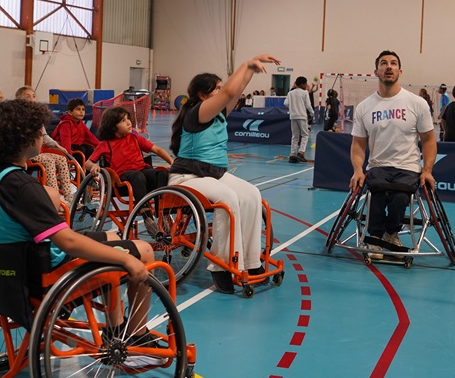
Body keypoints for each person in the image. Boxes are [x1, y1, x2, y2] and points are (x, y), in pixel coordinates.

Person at [0, 99, 162, 354]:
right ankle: (136, 334)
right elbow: (67, 241)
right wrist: (126, 261)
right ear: (22, 139)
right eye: (38, 131)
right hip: (47, 271)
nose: (42, 136)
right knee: (143, 251)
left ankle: (115, 327)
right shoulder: (23, 187)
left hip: (8, 270)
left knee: (112, 236)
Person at [169, 54, 280, 294]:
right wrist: (245, 64)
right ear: (202, 95)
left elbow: (236, 91)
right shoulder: (198, 112)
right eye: (216, 89)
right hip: (188, 177)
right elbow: (229, 92)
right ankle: (221, 267)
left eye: (221, 87)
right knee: (227, 198)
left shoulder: (219, 112)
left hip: (213, 174)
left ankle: (250, 263)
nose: (222, 92)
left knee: (251, 193)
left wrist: (251, 70)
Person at [349, 50, 436, 260]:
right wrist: (358, 170)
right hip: (378, 166)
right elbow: (358, 144)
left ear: (400, 70)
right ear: (376, 71)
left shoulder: (417, 103)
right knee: (377, 194)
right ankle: (376, 240)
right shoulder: (364, 107)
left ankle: (391, 234)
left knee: (399, 197)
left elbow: (429, 141)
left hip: (407, 167)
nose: (389, 67)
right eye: (384, 63)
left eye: (393, 63)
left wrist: (427, 170)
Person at [87, 106, 173, 202]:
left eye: (128, 118)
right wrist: (93, 166)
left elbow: (157, 150)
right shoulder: (105, 145)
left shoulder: (135, 138)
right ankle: (144, 210)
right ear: (112, 126)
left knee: (162, 174)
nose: (129, 123)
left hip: (142, 171)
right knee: (137, 176)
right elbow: (88, 163)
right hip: (121, 180)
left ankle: (161, 209)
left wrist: (172, 162)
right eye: (123, 120)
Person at [16, 86, 76, 208]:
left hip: (40, 150)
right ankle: (55, 197)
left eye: (33, 96)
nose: (31, 99)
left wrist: (58, 146)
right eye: (27, 96)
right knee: (48, 162)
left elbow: (45, 136)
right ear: (19, 99)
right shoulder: (18, 117)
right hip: (27, 153)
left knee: (61, 159)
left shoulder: (38, 116)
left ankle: (68, 196)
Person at [286, 76, 313, 163]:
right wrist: (312, 113)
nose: (306, 85)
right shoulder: (305, 93)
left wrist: (293, 108)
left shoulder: (290, 93)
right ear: (302, 84)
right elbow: (308, 105)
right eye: (305, 84)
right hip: (301, 116)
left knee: (295, 136)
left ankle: (292, 155)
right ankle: (301, 153)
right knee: (305, 135)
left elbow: (286, 103)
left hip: (293, 116)